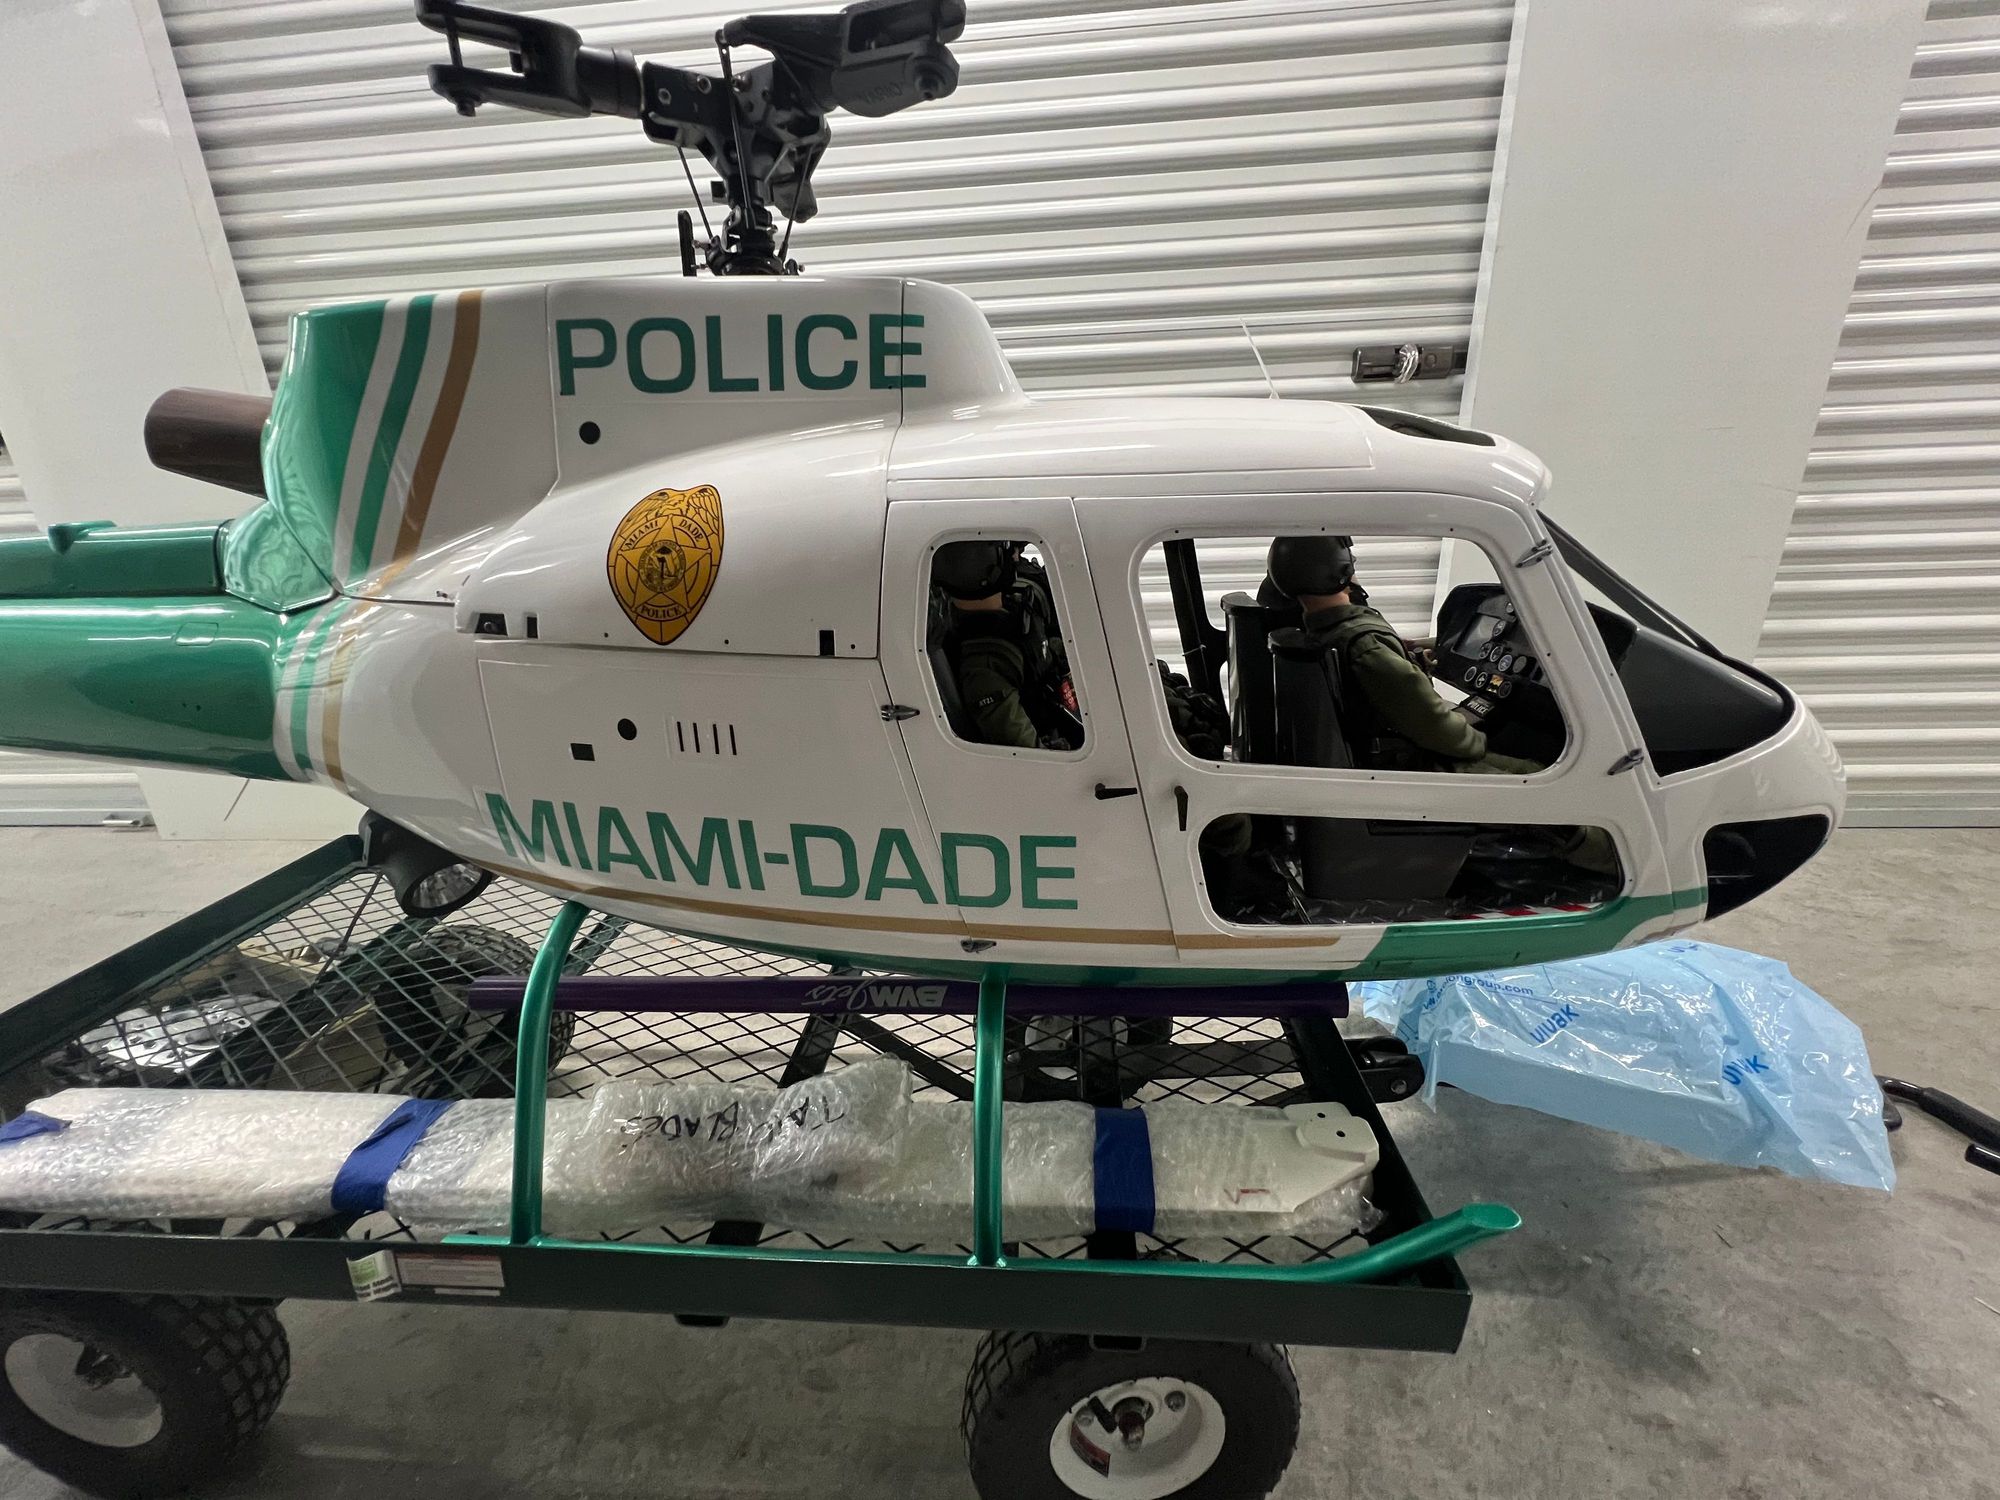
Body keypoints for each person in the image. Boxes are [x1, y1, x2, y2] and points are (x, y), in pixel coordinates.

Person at [1265, 534, 1617, 876]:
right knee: (1542, 789)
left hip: (1386, 759)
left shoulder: (1331, 632)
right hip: (1409, 767)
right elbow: (1440, 732)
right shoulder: (1366, 646)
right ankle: (1615, 861)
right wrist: (1476, 743)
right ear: (1341, 569)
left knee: (1531, 766)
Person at [933, 540, 1080, 751]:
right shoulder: (986, 664)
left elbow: (1038, 652)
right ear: (984, 568)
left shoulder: (1010, 614)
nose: (1016, 557)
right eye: (1008, 551)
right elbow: (1026, 750)